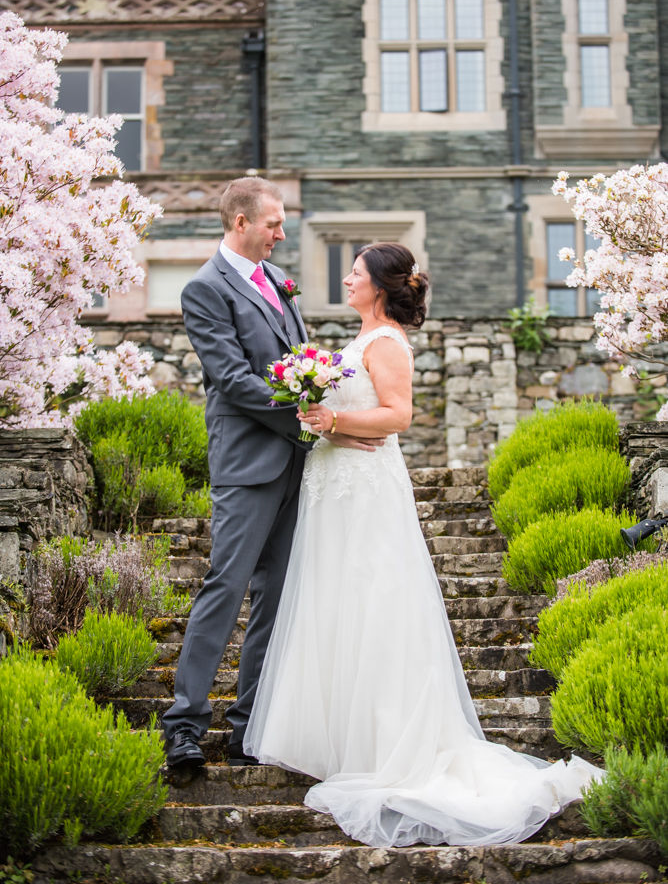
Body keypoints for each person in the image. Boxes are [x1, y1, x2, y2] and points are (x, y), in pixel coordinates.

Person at [244, 241, 603, 847]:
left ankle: (387, 744)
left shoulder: (386, 343)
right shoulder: (360, 339)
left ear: (380, 286)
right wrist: (323, 418)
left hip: (364, 490)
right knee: (335, 602)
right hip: (334, 482)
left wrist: (333, 421)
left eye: (355, 272)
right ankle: (343, 738)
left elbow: (398, 416)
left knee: (373, 602)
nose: (346, 279)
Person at [162, 177, 381, 769]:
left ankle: (249, 727)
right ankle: (183, 726)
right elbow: (232, 380)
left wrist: (325, 417)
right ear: (241, 222)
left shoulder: (278, 282)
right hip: (248, 463)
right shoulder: (205, 288)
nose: (282, 234)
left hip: (298, 463)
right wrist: (313, 422)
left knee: (278, 596)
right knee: (225, 587)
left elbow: (295, 364)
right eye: (273, 224)